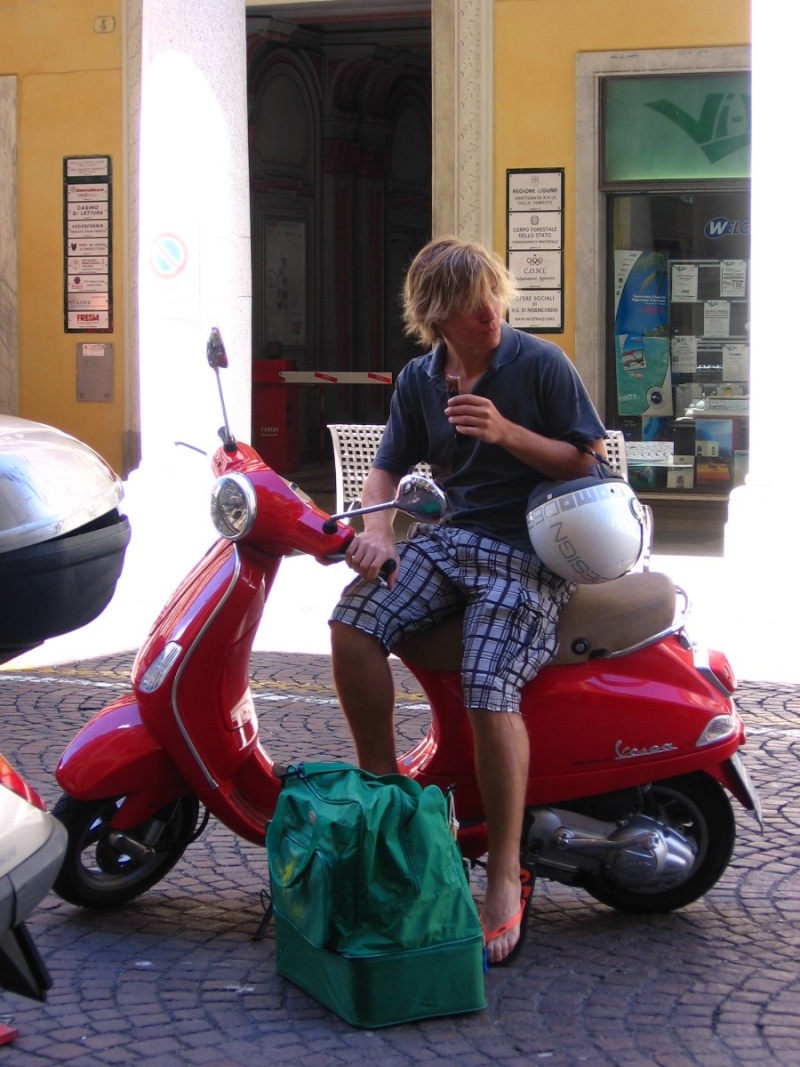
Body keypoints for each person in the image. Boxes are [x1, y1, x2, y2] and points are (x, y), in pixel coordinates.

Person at [329, 236, 607, 965]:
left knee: (490, 685)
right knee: (352, 621)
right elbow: (386, 468)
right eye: (468, 303)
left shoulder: (539, 363)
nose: (488, 310)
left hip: (532, 548)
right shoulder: (421, 379)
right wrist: (380, 533)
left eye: (491, 293)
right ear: (435, 315)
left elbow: (591, 456)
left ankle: (506, 871)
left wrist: (508, 431)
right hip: (450, 540)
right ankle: (393, 807)